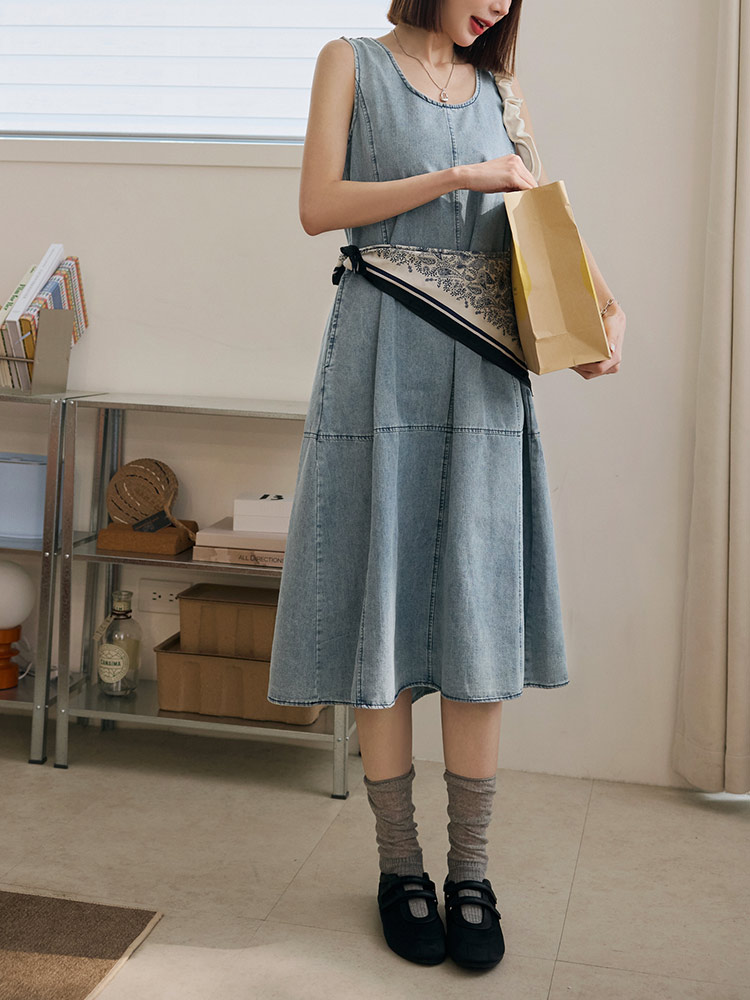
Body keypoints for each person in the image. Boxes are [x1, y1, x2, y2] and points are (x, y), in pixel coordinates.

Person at [267, 0, 626, 971]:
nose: (502, 6)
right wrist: (458, 177)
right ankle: (400, 867)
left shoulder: (502, 88)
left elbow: (542, 217)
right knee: (382, 598)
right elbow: (318, 206)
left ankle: (470, 871)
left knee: (475, 604)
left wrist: (603, 305)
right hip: (379, 353)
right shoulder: (349, 62)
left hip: (484, 369)